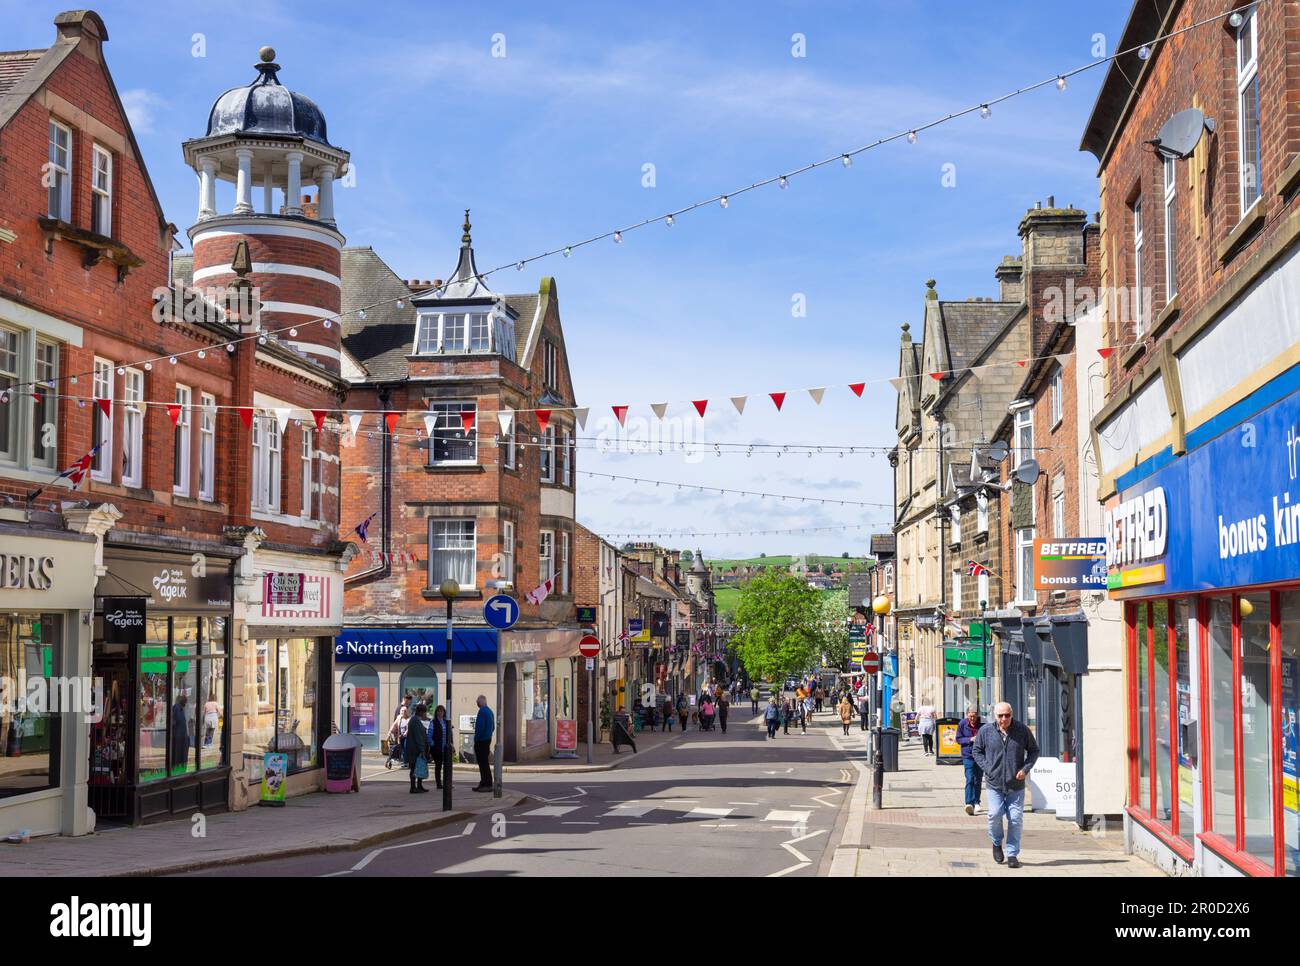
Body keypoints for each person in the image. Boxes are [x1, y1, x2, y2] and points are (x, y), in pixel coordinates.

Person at [971, 701, 1039, 868]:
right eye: (1000, 716)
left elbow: (1034, 751)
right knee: (994, 815)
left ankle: (1012, 854)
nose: (1004, 719)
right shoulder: (986, 731)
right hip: (994, 784)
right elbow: (976, 751)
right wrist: (988, 768)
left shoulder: (1022, 730)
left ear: (1012, 715)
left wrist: (1025, 769)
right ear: (995, 716)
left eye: (1007, 715)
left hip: (1015, 784)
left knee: (1015, 819)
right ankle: (996, 843)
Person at [956, 706, 983, 815]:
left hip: (980, 756)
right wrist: (970, 739)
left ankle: (977, 802)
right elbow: (958, 739)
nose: (972, 718)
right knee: (970, 779)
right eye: (970, 716)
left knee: (978, 780)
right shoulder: (962, 724)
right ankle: (969, 803)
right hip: (968, 756)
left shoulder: (982, 725)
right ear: (967, 715)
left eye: (974, 716)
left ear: (977, 715)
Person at [472, 695, 494, 791]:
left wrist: (477, 738)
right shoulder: (490, 711)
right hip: (487, 739)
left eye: (477, 702)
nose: (477, 704)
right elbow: (492, 727)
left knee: (482, 763)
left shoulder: (482, 711)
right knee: (485, 762)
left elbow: (480, 727)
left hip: (481, 741)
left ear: (481, 702)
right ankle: (485, 782)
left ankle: (486, 783)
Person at [407, 703, 430, 793]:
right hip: (415, 750)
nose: (425, 714)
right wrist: (422, 749)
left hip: (416, 749)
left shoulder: (416, 720)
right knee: (414, 768)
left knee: (419, 767)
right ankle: (413, 787)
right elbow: (418, 737)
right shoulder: (415, 721)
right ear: (421, 712)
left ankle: (419, 786)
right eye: (425, 712)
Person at [428, 704, 449, 789]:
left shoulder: (446, 722)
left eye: (442, 711)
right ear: (436, 712)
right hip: (437, 748)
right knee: (438, 766)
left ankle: (447, 783)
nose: (440, 713)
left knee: (447, 766)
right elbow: (429, 735)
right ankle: (439, 784)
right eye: (438, 711)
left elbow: (449, 734)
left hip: (445, 747)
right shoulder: (433, 722)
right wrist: (432, 744)